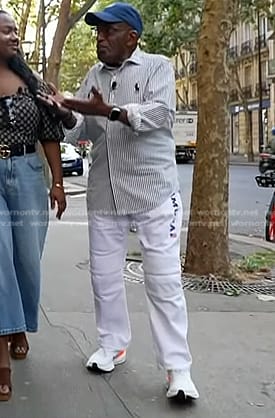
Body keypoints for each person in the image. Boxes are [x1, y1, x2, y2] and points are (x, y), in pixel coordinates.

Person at [41, 2, 199, 401]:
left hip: (154, 193)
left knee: (163, 282)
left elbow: (161, 114)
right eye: (97, 32)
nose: (100, 38)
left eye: (108, 31)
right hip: (105, 193)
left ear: (132, 36)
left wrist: (110, 110)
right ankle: (113, 344)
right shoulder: (94, 74)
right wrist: (63, 111)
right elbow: (82, 129)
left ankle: (178, 368)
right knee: (105, 279)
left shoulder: (158, 66)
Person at [0, 10, 73, 401]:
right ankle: (2, 358)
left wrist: (58, 183)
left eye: (16, 30)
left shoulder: (33, 84)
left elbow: (50, 134)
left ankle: (17, 325)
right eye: (6, 30)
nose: (15, 36)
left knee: (26, 259)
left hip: (28, 173)